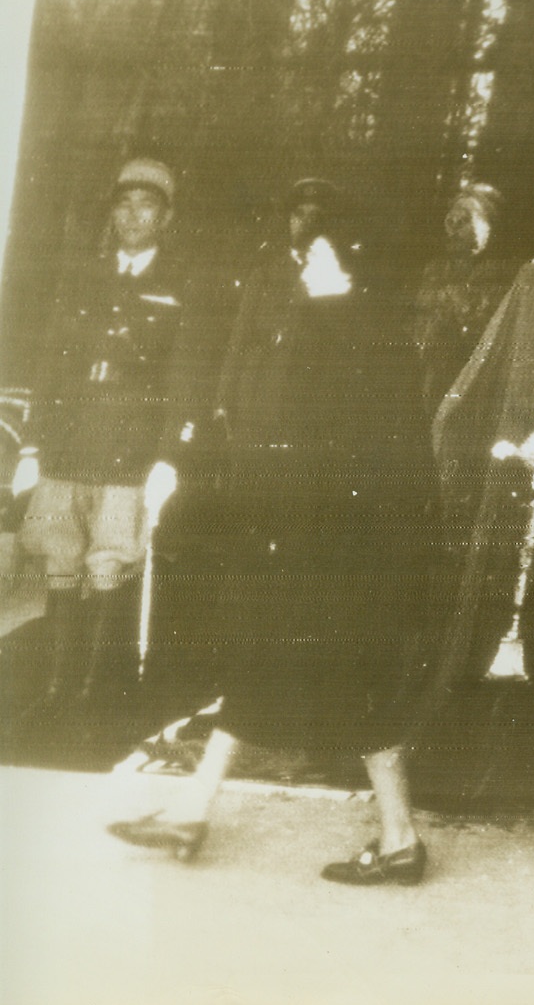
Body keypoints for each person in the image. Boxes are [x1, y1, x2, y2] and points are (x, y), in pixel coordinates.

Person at [107, 178, 436, 885]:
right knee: (298, 674)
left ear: (349, 262)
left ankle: (395, 837)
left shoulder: (357, 335)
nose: (307, 269)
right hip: (325, 541)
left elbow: (359, 453)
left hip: (337, 546)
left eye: (320, 258)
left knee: (315, 677)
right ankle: (387, 837)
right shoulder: (355, 327)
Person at [16, 157, 201, 747]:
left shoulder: (182, 284)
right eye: (124, 204)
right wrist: (33, 443)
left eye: (147, 206)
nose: (133, 216)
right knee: (61, 562)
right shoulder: (83, 277)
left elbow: (186, 376)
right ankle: (58, 689)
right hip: (69, 445)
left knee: (111, 563)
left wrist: (169, 455)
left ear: (165, 217)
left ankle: (98, 694)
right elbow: (50, 363)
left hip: (129, 449)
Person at [413, 182, 517, 420]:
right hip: (432, 379)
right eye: (452, 219)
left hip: (480, 382)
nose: (454, 226)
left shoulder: (508, 273)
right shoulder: (435, 270)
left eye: (466, 219)